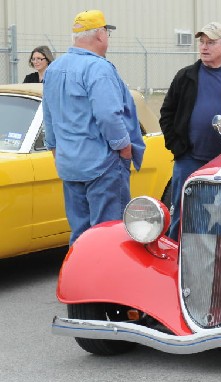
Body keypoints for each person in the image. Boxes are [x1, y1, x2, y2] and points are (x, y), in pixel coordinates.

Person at [42, 9, 145, 246]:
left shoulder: (54, 69)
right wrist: (124, 147)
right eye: (107, 32)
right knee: (108, 233)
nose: (107, 37)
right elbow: (108, 115)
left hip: (70, 164)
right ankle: (107, 282)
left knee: (80, 233)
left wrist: (56, 150)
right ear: (100, 34)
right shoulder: (98, 68)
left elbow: (48, 115)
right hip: (102, 165)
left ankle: (79, 280)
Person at [160, 21, 221, 241]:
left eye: (211, 42)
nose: (204, 47)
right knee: (182, 210)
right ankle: (175, 256)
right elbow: (167, 113)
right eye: (202, 42)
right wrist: (177, 147)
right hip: (189, 160)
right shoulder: (185, 76)